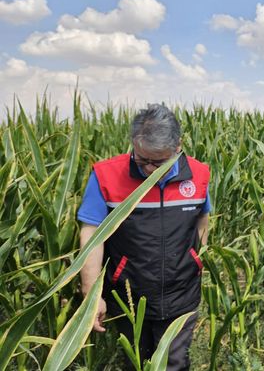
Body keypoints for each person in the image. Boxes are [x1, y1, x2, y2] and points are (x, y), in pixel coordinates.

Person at [78, 104, 210, 371]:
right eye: (142, 160)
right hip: (129, 292)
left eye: (158, 162)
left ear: (178, 146)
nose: (149, 168)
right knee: (136, 360)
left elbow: (202, 220)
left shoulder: (199, 174)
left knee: (174, 362)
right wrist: (92, 295)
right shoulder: (106, 175)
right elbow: (92, 235)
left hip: (181, 292)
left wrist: (197, 260)